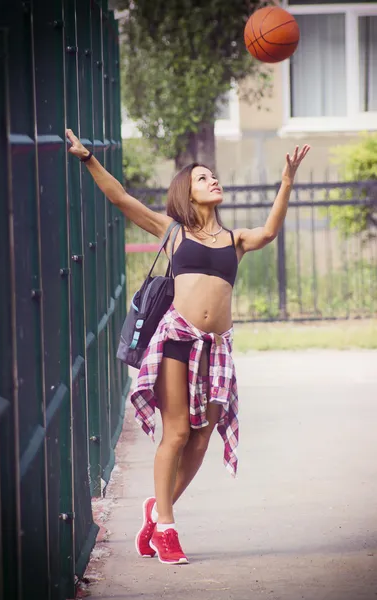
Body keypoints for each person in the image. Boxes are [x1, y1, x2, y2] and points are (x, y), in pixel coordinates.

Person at [66, 128, 310, 565]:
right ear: (187, 193)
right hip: (176, 339)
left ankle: (158, 510)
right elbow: (122, 199)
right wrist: (88, 159)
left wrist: (287, 180)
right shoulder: (174, 232)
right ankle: (168, 529)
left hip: (215, 348)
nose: (212, 180)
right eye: (202, 178)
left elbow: (270, 232)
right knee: (177, 432)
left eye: (213, 176)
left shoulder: (235, 240)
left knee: (201, 440)